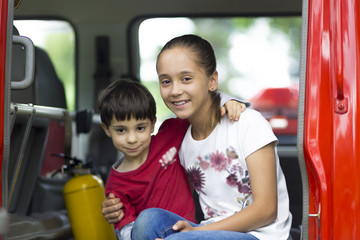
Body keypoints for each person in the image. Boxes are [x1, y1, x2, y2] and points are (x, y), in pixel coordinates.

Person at [103, 34, 292, 240]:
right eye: (166, 81)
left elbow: (266, 210)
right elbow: (146, 177)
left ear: (212, 81)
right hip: (208, 231)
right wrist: (118, 207)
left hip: (260, 235)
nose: (175, 90)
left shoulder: (247, 123)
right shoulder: (180, 138)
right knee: (148, 220)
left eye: (186, 79)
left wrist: (196, 232)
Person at [99, 79, 247, 239]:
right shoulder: (116, 184)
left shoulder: (169, 134)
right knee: (146, 220)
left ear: (153, 123)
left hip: (188, 231)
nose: (132, 138)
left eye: (140, 128)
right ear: (106, 129)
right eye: (121, 130)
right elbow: (126, 230)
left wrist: (225, 102)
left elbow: (201, 109)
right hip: (153, 234)